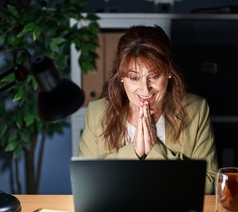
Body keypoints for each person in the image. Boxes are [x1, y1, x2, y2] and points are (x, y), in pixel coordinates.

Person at [78, 25, 218, 194]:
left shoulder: (196, 109)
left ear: (169, 73)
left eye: (154, 76)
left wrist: (156, 151)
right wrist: (133, 152)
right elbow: (86, 184)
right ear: (122, 77)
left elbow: (209, 185)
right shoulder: (96, 112)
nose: (145, 89)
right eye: (134, 77)